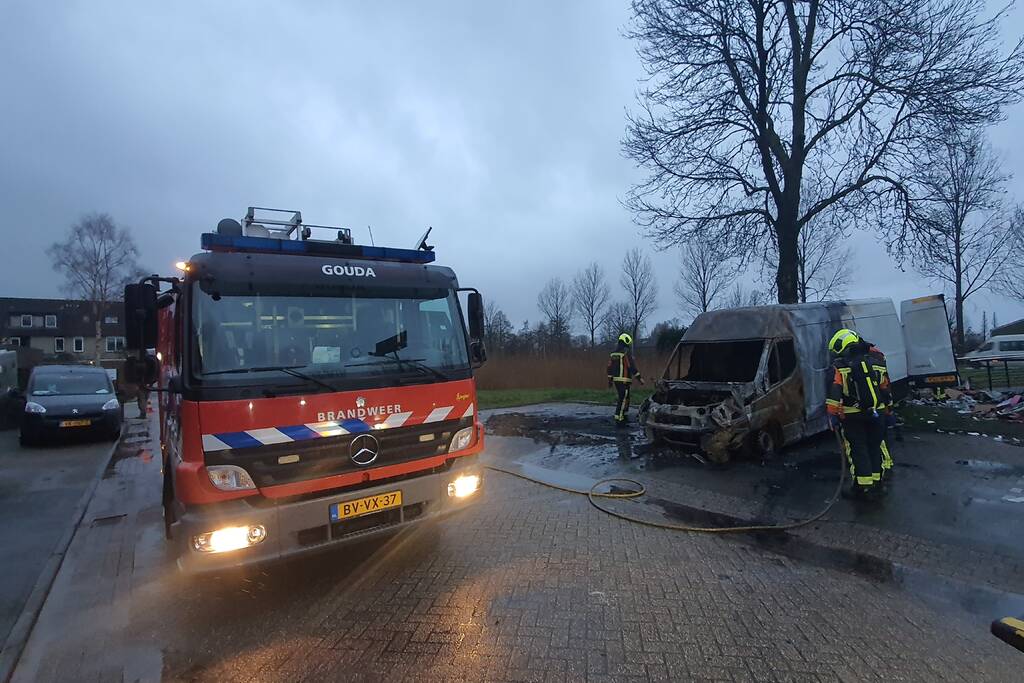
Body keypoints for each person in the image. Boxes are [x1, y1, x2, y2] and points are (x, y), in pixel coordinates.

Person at [825, 328, 891, 499]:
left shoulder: (839, 367)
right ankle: (877, 480)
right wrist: (888, 411)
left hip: (852, 416)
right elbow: (885, 389)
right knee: (874, 447)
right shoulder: (878, 363)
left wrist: (832, 415)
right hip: (878, 414)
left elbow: (834, 393)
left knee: (857, 450)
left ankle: (862, 486)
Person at [607, 333, 644, 426]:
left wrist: (610, 381)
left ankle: (623, 415)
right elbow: (631, 367)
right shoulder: (625, 353)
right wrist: (639, 379)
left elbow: (609, 368)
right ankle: (619, 417)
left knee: (625, 398)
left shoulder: (613, 354)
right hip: (624, 380)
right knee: (623, 398)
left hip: (616, 380)